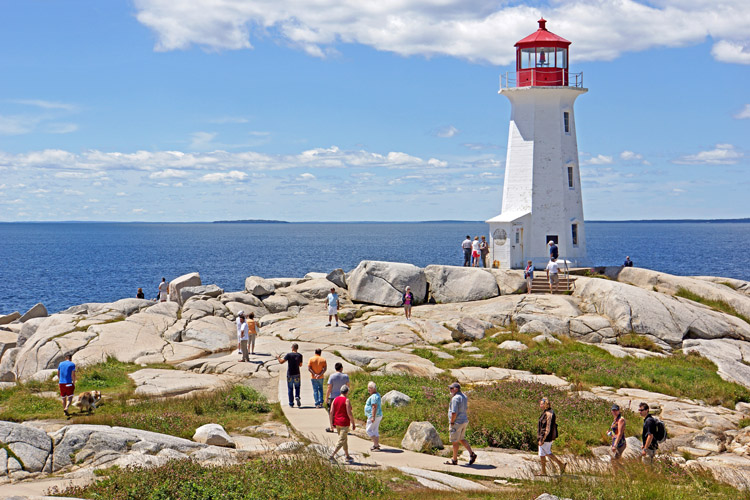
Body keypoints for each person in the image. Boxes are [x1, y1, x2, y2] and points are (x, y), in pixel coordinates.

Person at [445, 382, 477, 465]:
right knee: (461, 438)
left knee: (454, 441)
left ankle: (454, 460)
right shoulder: (464, 396)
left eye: (452, 388)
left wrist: (452, 422)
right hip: (464, 421)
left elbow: (454, 412)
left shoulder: (455, 398)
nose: (450, 390)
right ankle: (471, 454)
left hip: (457, 422)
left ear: (456, 389)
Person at [537, 397, 566, 475]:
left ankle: (561, 465)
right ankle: (543, 471)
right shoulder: (548, 412)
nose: (540, 405)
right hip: (546, 437)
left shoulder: (548, 414)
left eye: (541, 404)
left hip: (546, 438)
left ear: (545, 405)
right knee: (542, 454)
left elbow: (547, 428)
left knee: (547, 452)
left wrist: (542, 439)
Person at [329, 385, 355, 463]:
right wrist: (353, 423)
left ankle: (347, 456)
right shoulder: (346, 400)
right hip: (344, 423)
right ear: (347, 392)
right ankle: (332, 455)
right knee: (341, 440)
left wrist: (331, 424)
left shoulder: (335, 399)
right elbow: (349, 413)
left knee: (344, 439)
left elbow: (331, 412)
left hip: (337, 423)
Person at [325, 362, 350, 432]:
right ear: (341, 368)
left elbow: (329, 387)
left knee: (331, 412)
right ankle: (341, 426)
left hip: (333, 397)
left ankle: (332, 427)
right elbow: (348, 386)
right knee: (342, 412)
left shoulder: (332, 376)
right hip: (343, 397)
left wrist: (326, 397)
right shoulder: (346, 376)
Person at [277, 343, 303, 408]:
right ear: (297, 348)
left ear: (292, 348)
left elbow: (281, 362)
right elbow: (300, 365)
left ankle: (291, 403)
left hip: (290, 374)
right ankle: (297, 396)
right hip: (297, 373)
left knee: (290, 388)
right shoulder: (300, 355)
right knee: (297, 387)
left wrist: (278, 357)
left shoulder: (289, 355)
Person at [365, 381, 383, 451]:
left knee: (368, 430)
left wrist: (373, 417)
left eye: (369, 388)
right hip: (378, 415)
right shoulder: (377, 395)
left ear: (373, 388)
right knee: (375, 430)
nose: (368, 390)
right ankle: (376, 445)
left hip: (374, 416)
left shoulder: (374, 397)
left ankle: (376, 444)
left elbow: (374, 407)